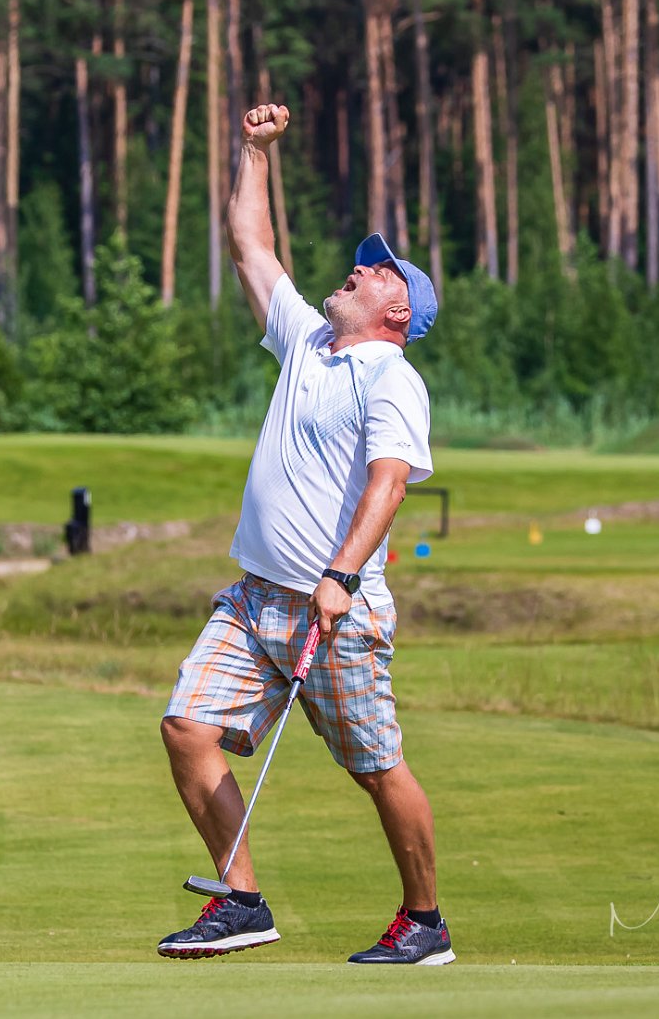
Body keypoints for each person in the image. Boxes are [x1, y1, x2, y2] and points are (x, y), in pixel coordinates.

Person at [156, 102, 452, 965]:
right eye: (366, 264)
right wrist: (254, 150)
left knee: (376, 768)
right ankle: (241, 899)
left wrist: (344, 574)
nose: (359, 271)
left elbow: (389, 483)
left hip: (337, 609)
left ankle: (424, 920)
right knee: (185, 726)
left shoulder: (392, 375)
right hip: (256, 598)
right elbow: (250, 243)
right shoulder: (308, 342)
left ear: (399, 309)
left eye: (377, 272)